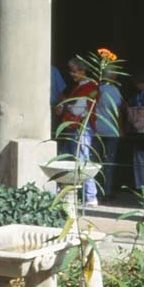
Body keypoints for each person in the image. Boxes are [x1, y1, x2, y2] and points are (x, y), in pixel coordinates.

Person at [55, 57, 99, 206]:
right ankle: (61, 193)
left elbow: (78, 109)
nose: (72, 74)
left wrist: (65, 105)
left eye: (74, 71)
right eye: (71, 71)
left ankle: (90, 196)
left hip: (81, 127)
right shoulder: (80, 86)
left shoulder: (89, 86)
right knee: (63, 158)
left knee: (82, 159)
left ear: (83, 70)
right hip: (72, 127)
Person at [94, 68, 124, 201]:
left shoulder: (96, 89)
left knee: (95, 161)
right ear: (112, 76)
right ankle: (107, 191)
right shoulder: (114, 91)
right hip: (111, 130)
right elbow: (117, 111)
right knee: (109, 162)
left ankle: (94, 190)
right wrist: (121, 129)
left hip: (97, 130)